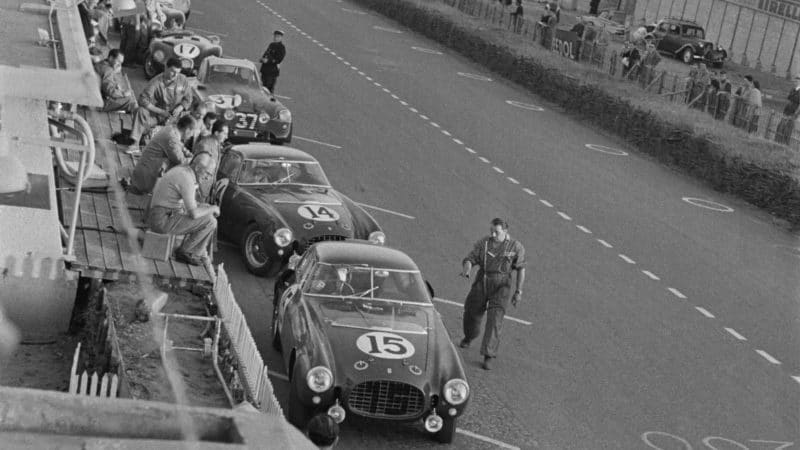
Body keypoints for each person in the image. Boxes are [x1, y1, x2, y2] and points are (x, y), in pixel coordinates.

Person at [459, 218, 526, 371]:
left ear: (505, 231)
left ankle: (488, 354)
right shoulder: (485, 243)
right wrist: (467, 269)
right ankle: (469, 336)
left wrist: (518, 291)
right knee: (471, 311)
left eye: (497, 232)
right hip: (482, 281)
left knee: (495, 320)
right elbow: (470, 259)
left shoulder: (516, 247)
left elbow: (521, 269)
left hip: (502, 286)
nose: (493, 234)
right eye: (492, 231)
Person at [147, 153, 220, 266]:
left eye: (210, 175)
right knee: (211, 221)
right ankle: (187, 252)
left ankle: (192, 251)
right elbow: (194, 214)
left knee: (206, 210)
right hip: (161, 220)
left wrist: (205, 207)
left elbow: (189, 204)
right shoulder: (187, 179)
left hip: (161, 215)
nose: (207, 177)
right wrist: (213, 208)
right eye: (207, 173)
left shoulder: (184, 171)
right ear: (197, 168)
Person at [127, 57, 193, 153]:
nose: (175, 75)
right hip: (159, 116)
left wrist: (180, 107)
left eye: (178, 72)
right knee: (140, 111)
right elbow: (143, 100)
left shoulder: (183, 80)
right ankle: (135, 143)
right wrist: (161, 112)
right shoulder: (156, 81)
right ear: (166, 67)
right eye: (173, 71)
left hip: (177, 118)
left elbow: (188, 98)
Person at [128, 115, 195, 195]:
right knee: (179, 166)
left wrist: (190, 154)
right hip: (144, 179)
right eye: (192, 133)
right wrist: (194, 159)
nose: (191, 136)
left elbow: (180, 146)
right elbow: (181, 161)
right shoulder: (171, 137)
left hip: (143, 172)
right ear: (187, 130)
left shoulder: (171, 129)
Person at [194, 121, 229, 201]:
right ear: (216, 133)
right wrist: (199, 191)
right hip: (199, 190)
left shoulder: (216, 143)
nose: (226, 137)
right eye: (224, 134)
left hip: (206, 188)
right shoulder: (206, 145)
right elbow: (199, 170)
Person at [97, 49, 138, 113]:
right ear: (110, 58)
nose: (119, 65)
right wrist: (123, 94)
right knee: (130, 101)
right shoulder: (108, 70)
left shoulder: (101, 63)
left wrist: (114, 73)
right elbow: (110, 91)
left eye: (121, 63)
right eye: (118, 61)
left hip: (97, 96)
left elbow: (106, 83)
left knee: (121, 90)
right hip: (100, 103)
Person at [776, 75, 800, 144]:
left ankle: (784, 143)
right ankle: (777, 141)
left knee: (788, 128)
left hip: (793, 112)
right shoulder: (793, 89)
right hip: (787, 110)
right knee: (780, 125)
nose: (795, 82)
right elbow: (788, 97)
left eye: (797, 81)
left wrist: (796, 114)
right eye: (795, 80)